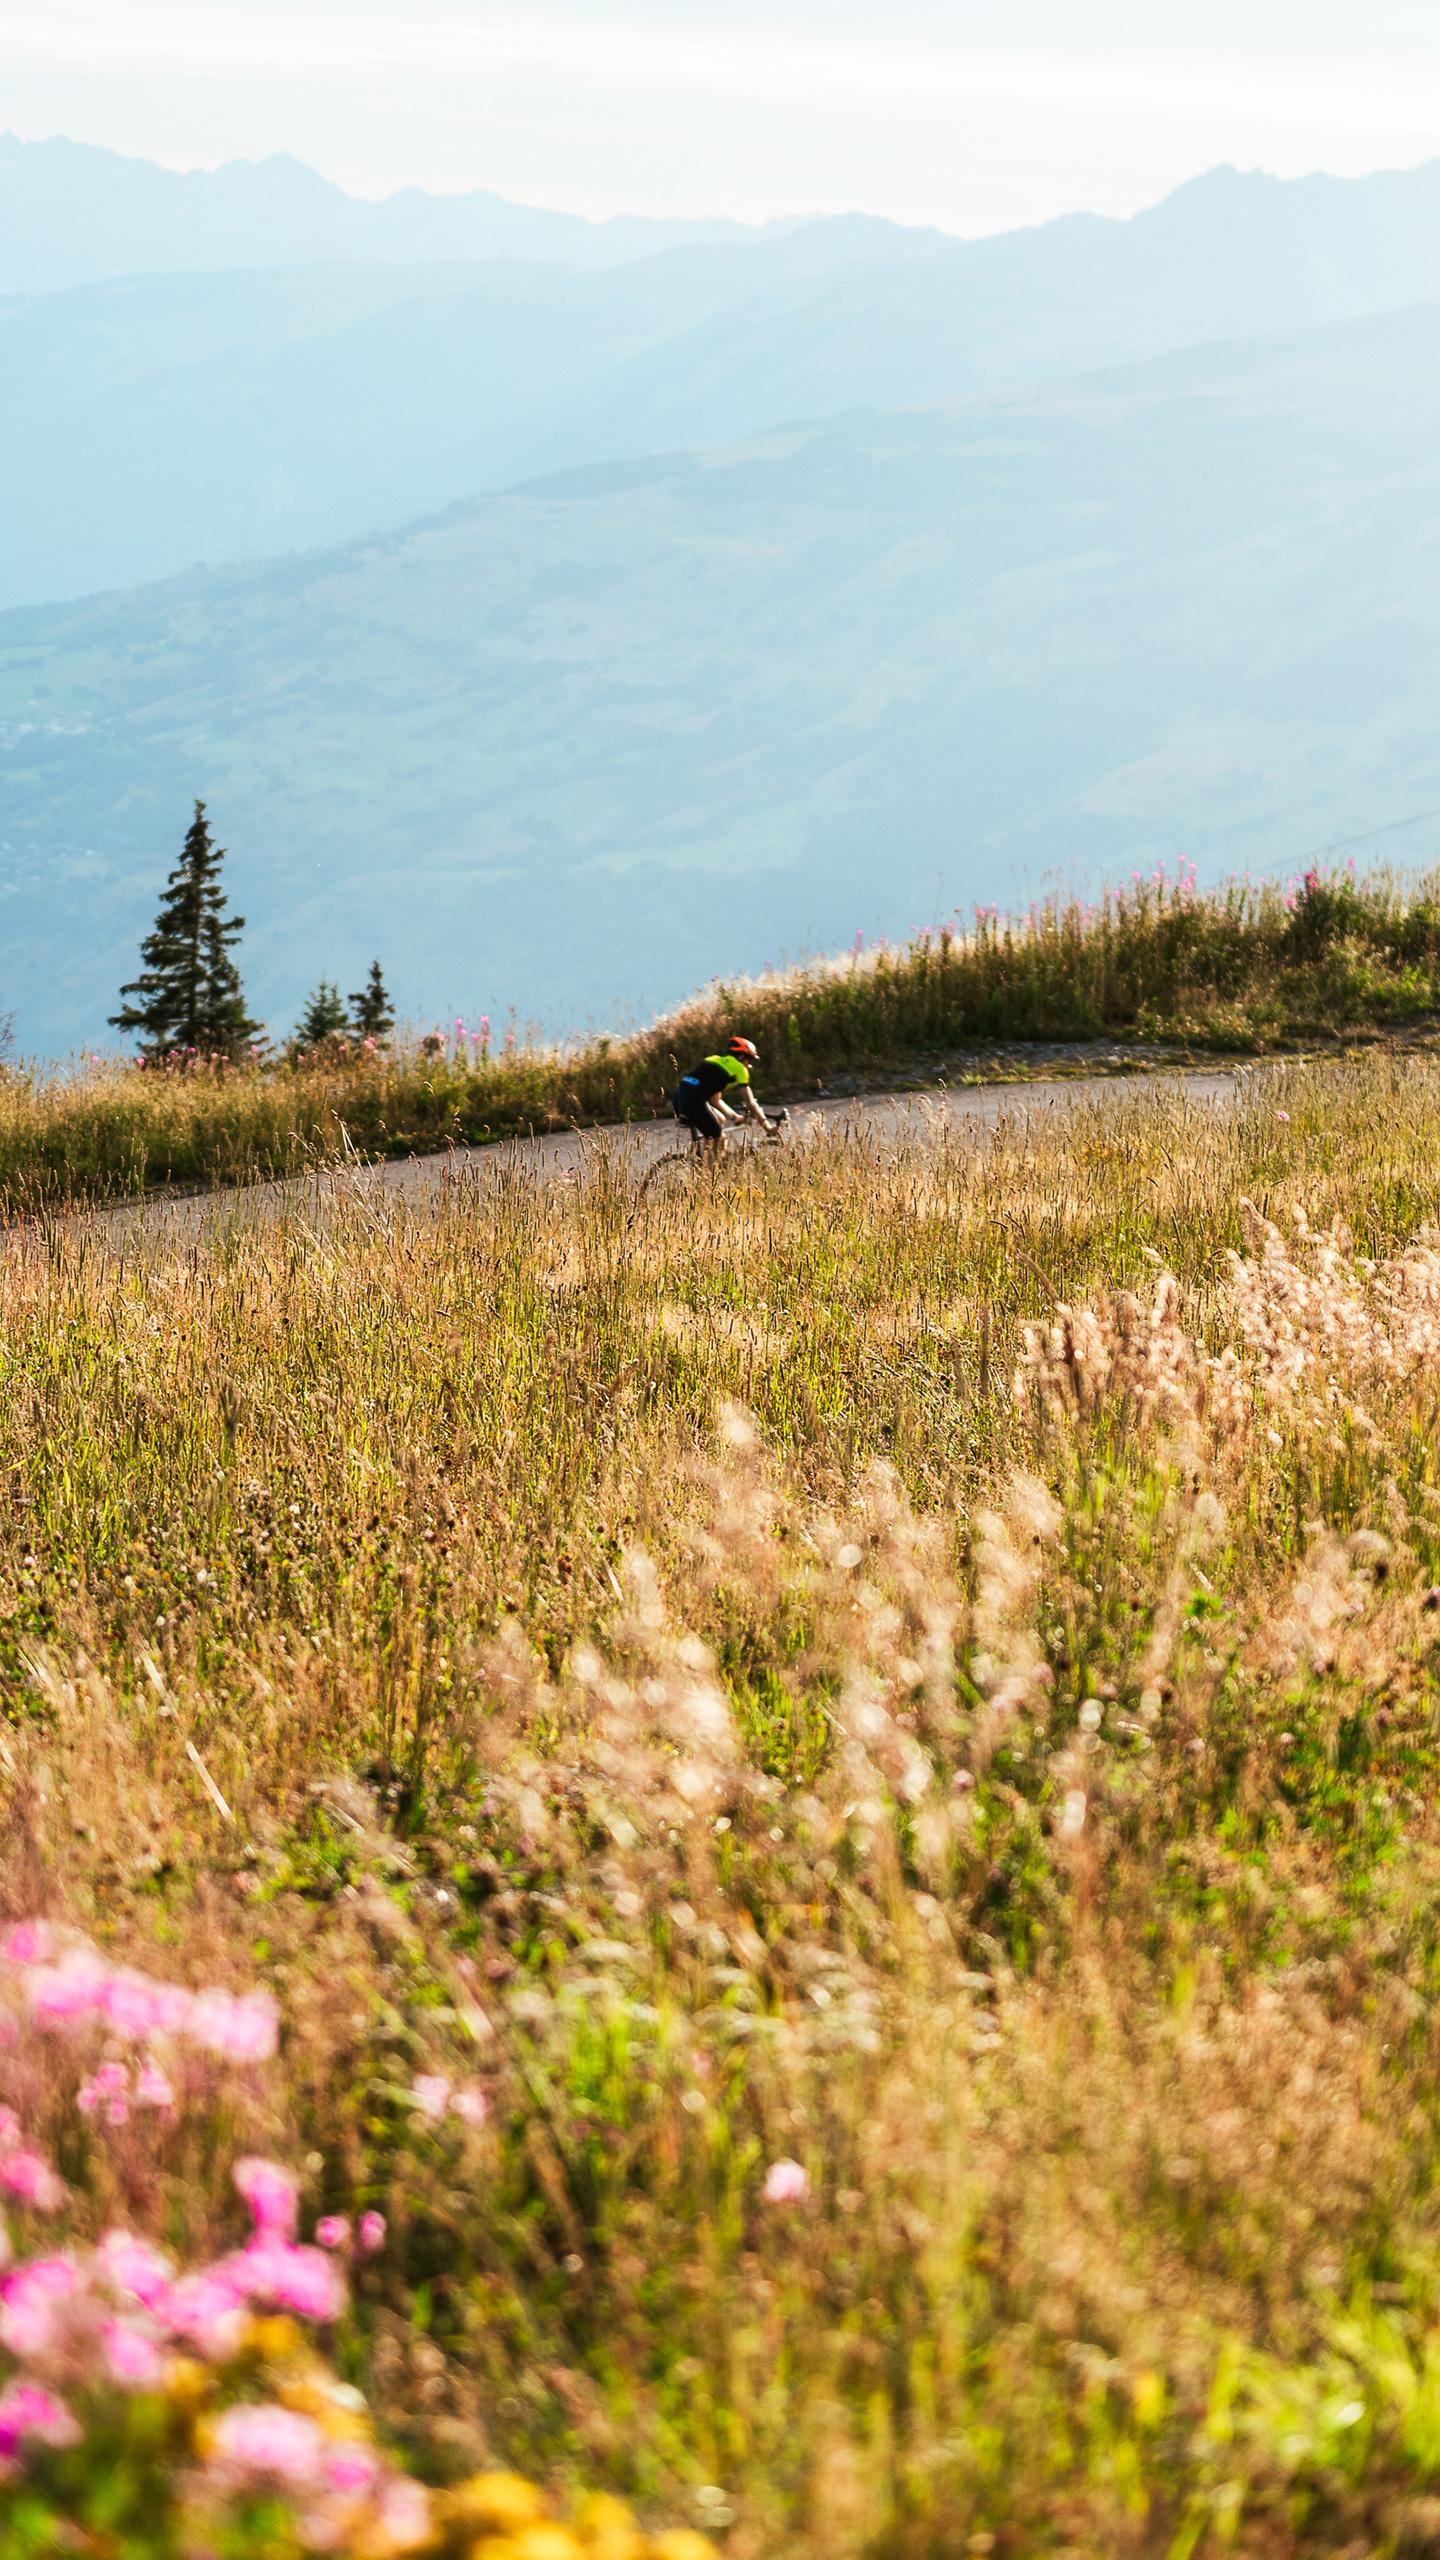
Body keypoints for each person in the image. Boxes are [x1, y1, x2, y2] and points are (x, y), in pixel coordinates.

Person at [671, 1036, 775, 1149]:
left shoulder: (713, 1059)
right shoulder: (740, 1069)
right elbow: (750, 1103)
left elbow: (716, 1100)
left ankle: (704, 1155)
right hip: (695, 1100)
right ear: (741, 1057)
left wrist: (735, 1117)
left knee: (720, 1119)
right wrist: (767, 1126)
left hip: (679, 1096)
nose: (749, 1064)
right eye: (750, 1059)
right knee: (719, 1138)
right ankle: (710, 1165)